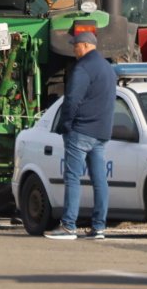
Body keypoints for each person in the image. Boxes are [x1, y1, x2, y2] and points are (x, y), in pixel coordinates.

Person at [48, 29, 116, 240]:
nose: (74, 49)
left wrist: (65, 124)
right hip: (101, 131)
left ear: (86, 46)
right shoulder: (108, 68)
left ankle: (68, 225)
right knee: (99, 179)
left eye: (76, 45)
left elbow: (72, 100)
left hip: (80, 131)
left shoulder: (83, 68)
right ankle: (99, 226)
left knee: (72, 177)